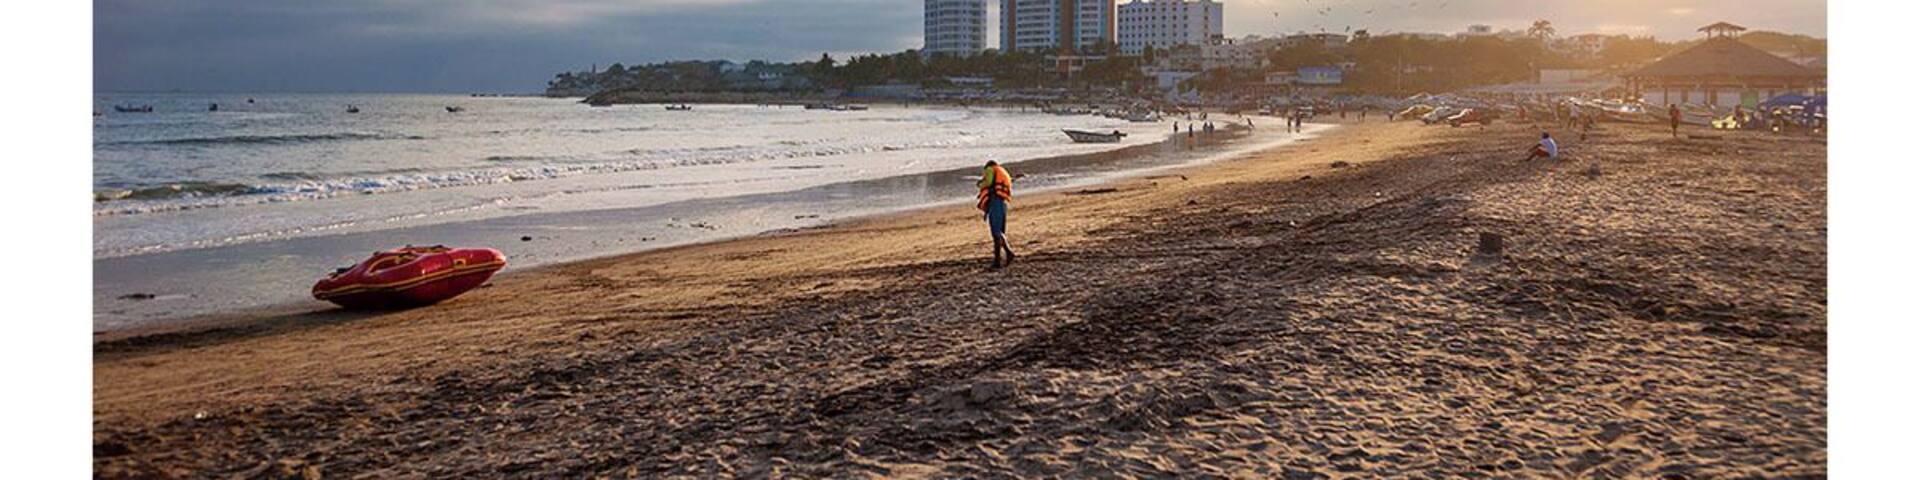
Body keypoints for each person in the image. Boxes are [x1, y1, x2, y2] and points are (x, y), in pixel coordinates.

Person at [976, 160, 1016, 268]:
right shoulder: (1002, 171)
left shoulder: (990, 169)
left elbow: (988, 182)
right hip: (1002, 202)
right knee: (999, 232)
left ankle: (1008, 253)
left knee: (996, 232)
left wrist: (980, 184)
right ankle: (997, 261)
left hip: (995, 201)